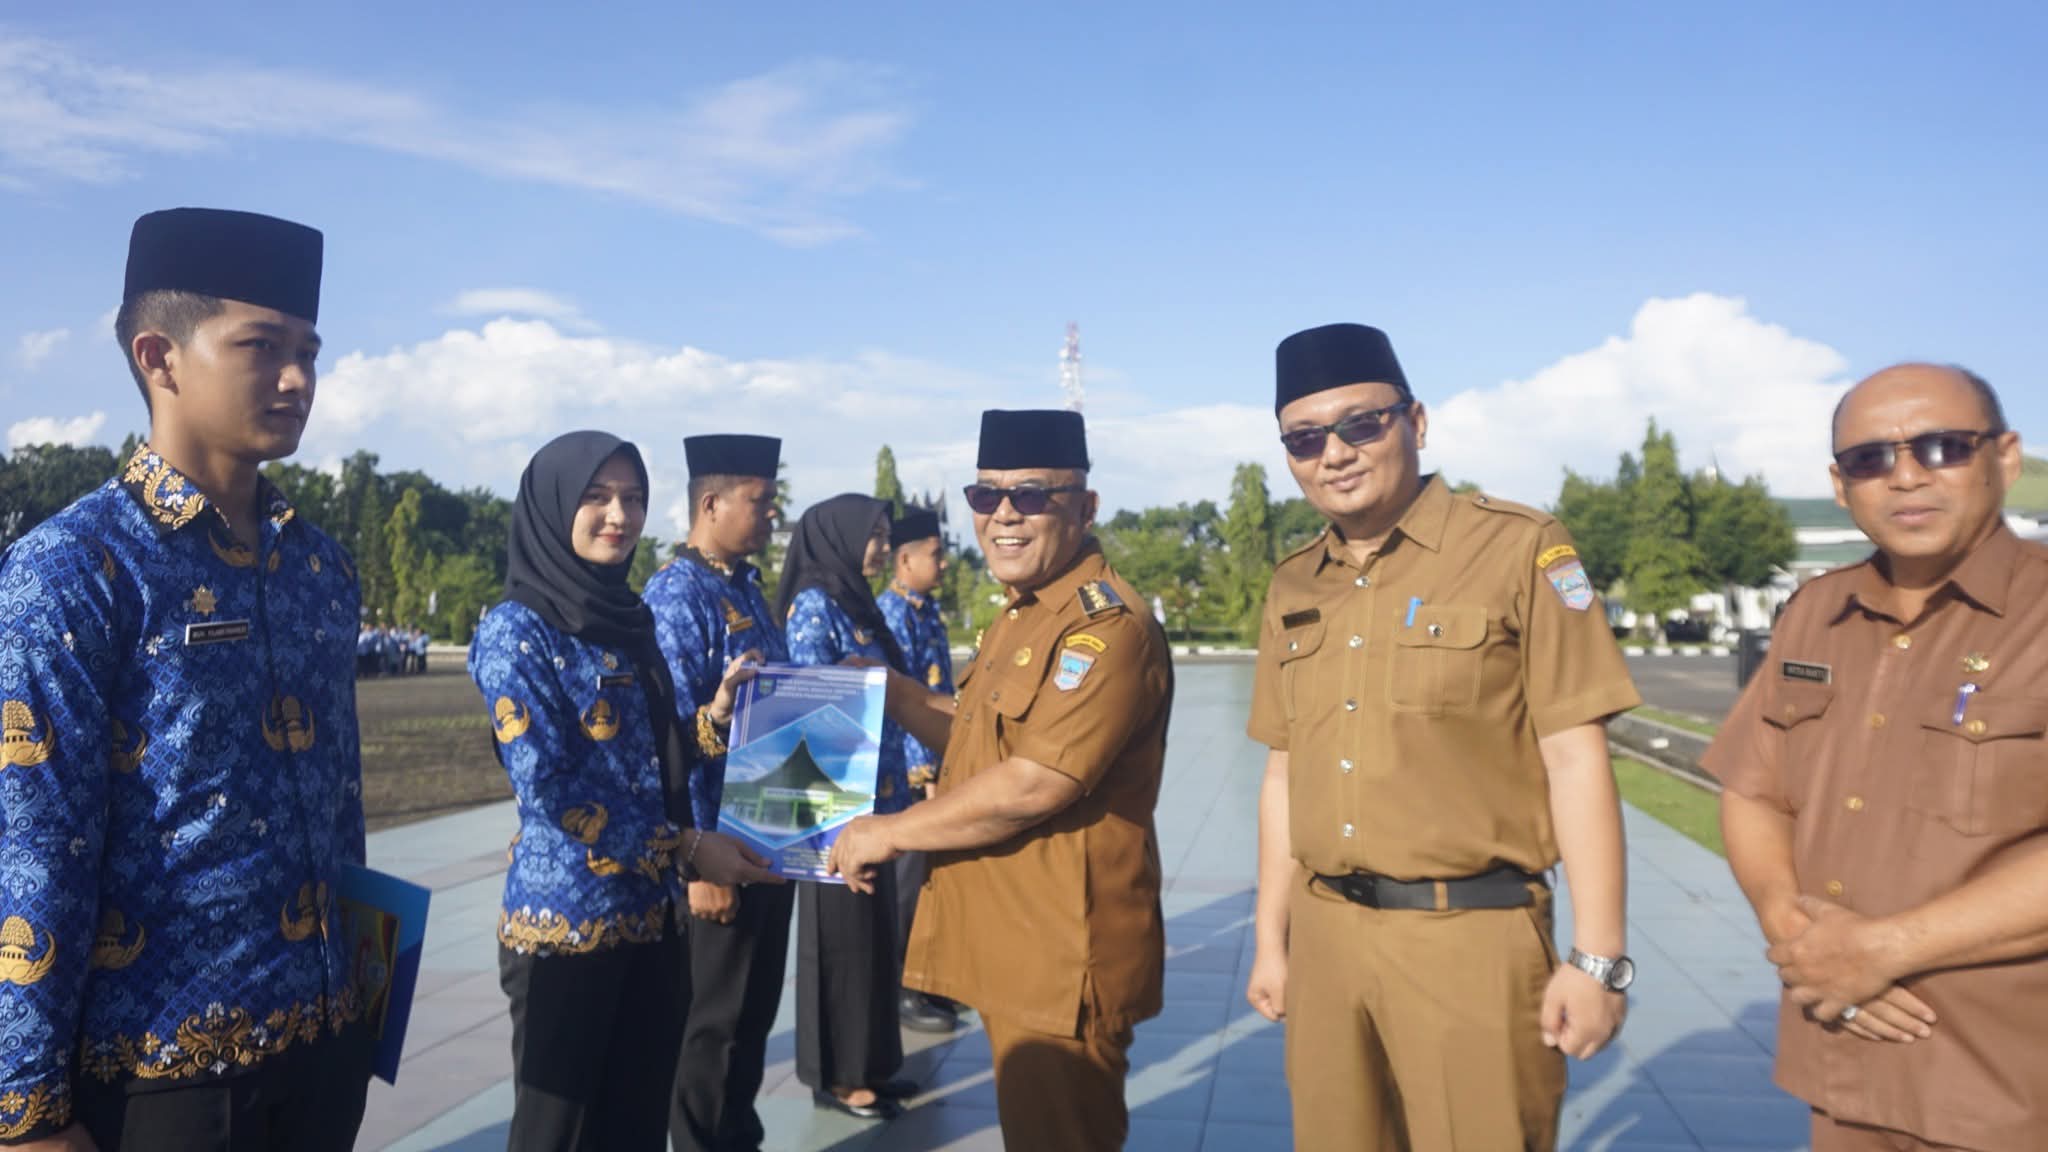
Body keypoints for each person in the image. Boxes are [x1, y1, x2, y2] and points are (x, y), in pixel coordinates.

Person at [0, 208, 372, 1151]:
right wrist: (26, 1112)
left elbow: (343, 809)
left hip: (324, 1052)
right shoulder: (75, 572)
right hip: (161, 1082)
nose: (297, 379)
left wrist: (368, 992)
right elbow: (34, 843)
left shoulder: (320, 569)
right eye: (261, 346)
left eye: (308, 352)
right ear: (159, 357)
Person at [1243, 323, 1640, 1152]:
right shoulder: (1294, 583)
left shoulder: (1519, 547)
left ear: (1415, 422)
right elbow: (1283, 773)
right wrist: (1270, 942)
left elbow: (1575, 757)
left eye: (1361, 425)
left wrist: (1598, 959)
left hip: (1470, 936)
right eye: (1306, 438)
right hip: (1326, 939)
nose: (1335, 453)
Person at [1704, 364, 2047, 1152]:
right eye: (1870, 459)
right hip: (1843, 1066)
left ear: (2004, 457)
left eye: (1942, 447)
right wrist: (1795, 932)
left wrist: (1886, 950)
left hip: (2008, 1084)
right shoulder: (1817, 613)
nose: (1906, 476)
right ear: (1840, 484)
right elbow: (1754, 790)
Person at [829, 409, 1173, 1152]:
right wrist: (891, 692)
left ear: (1085, 507)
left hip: (1061, 958)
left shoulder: (1105, 628)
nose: (1004, 515)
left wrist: (887, 832)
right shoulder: (1025, 614)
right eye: (986, 496)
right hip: (1018, 945)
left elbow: (1034, 782)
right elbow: (982, 736)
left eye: (1031, 495)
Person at [469, 431, 779, 1152]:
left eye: (633, 498)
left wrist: (715, 717)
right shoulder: (517, 630)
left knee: (635, 1127)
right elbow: (551, 788)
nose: (620, 515)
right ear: (553, 507)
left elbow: (651, 757)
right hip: (566, 931)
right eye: (597, 497)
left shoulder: (626, 619)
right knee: (559, 1136)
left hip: (651, 922)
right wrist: (686, 848)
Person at [643, 433, 793, 1152]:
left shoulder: (744, 587)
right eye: (760, 502)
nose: (772, 515)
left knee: (752, 1015)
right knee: (713, 1027)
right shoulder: (677, 596)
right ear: (711, 503)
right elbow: (666, 740)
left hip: (768, 835)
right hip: (715, 847)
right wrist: (695, 860)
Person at [779, 494, 917, 1120]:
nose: (883, 547)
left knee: (875, 940)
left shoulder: (857, 602)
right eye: (874, 535)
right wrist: (838, 823)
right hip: (837, 808)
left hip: (878, 804)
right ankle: (837, 1076)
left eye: (886, 535)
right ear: (839, 537)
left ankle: (874, 1064)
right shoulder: (815, 604)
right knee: (840, 945)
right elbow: (814, 708)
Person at [874, 507, 960, 1035]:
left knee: (935, 883)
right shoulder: (892, 613)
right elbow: (901, 702)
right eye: (935, 554)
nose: (944, 563)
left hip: (940, 765)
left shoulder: (927, 611)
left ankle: (931, 978)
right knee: (908, 888)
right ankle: (904, 989)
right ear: (904, 560)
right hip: (910, 776)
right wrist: (925, 775)